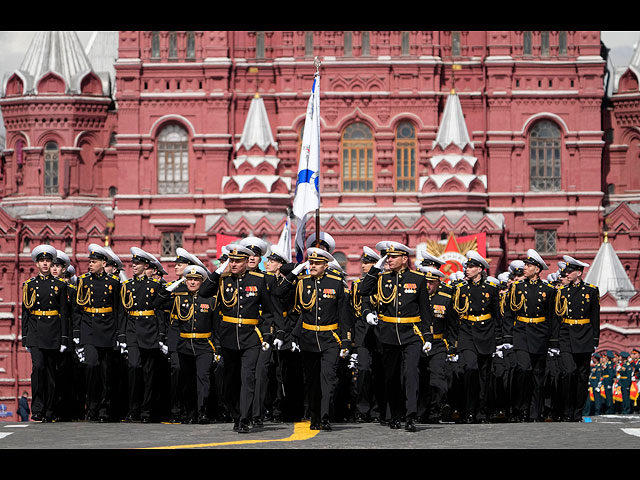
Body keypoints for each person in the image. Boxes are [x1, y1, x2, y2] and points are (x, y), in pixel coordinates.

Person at [358, 241, 433, 432]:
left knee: (410, 374)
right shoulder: (382, 278)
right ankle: (395, 415)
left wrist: (428, 337)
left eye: (393, 257)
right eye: (387, 257)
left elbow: (425, 310)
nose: (389, 260)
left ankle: (410, 416)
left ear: (405, 259)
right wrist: (376, 268)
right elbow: (363, 290)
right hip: (389, 334)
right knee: (391, 378)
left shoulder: (418, 279)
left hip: (412, 334)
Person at [211, 243, 284, 433]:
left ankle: (244, 418)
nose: (233, 264)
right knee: (229, 383)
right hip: (228, 337)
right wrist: (219, 271)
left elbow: (269, 311)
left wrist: (268, 335)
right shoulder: (223, 280)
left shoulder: (259, 280)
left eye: (237, 261)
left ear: (246, 262)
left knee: (248, 378)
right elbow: (204, 292)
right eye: (231, 260)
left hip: (251, 337)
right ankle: (236, 414)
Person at [288, 247, 352, 431]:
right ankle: (314, 416)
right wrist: (295, 273)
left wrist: (346, 340)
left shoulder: (337, 283)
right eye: (311, 262)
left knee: (328, 378)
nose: (313, 265)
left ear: (326, 265)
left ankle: (325, 416)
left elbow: (344, 315)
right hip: (308, 338)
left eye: (317, 263)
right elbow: (283, 295)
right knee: (312, 381)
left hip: (330, 338)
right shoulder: (302, 283)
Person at [155, 265, 218, 424]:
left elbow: (216, 325)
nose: (191, 283)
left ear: (202, 282)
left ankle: (203, 412)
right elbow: (157, 302)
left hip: (204, 345)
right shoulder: (178, 298)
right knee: (187, 381)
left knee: (203, 378)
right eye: (189, 279)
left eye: (195, 280)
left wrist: (217, 348)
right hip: (185, 345)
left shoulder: (211, 299)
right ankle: (190, 413)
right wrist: (175, 285)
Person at [501, 249, 557, 422]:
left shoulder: (548, 290)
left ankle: (535, 412)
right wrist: (508, 338)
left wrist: (553, 342)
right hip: (522, 333)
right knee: (523, 369)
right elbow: (509, 314)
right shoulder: (516, 288)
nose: (525, 267)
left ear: (538, 269)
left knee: (538, 375)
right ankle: (520, 409)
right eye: (525, 264)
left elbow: (552, 317)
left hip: (540, 334)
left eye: (529, 265)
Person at [73, 244, 126, 422]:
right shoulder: (83, 281)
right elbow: (77, 309)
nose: (90, 264)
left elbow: (119, 310)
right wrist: (77, 332)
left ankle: (104, 408)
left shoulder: (113, 283)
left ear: (104, 263)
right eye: (90, 261)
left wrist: (120, 334)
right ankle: (92, 406)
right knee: (91, 366)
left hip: (107, 330)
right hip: (89, 328)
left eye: (94, 262)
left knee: (106, 372)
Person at [21, 245, 70, 422]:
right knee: (38, 369)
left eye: (48, 261)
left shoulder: (60, 286)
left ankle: (50, 409)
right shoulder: (29, 285)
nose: (45, 264)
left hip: (53, 333)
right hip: (35, 333)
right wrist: (25, 337)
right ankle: (38, 408)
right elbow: (25, 313)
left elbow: (64, 314)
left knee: (51, 373)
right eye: (42, 261)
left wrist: (64, 338)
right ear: (37, 263)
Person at [452, 250, 501, 424]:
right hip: (467, 332)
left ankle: (482, 411)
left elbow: (497, 316)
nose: (467, 269)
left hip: (486, 333)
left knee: (484, 375)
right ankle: (469, 410)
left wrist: (499, 341)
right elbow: (453, 316)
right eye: (467, 266)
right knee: (470, 369)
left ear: (480, 269)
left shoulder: (491, 289)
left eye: (471, 267)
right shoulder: (460, 289)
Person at [119, 247, 166, 423]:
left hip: (150, 331)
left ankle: (146, 411)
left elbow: (160, 313)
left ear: (146, 265)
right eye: (133, 263)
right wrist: (122, 337)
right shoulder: (127, 287)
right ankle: (133, 409)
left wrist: (161, 337)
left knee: (148, 374)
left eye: (137, 264)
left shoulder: (155, 286)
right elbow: (122, 313)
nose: (134, 266)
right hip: (132, 331)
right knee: (133, 367)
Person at [553, 255, 600, 422]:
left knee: (582, 376)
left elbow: (595, 316)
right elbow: (557, 318)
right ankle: (567, 409)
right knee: (569, 372)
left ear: (579, 273)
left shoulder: (591, 291)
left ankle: (577, 411)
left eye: (570, 271)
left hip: (585, 336)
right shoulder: (562, 292)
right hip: (566, 335)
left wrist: (595, 339)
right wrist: (555, 340)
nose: (566, 274)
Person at [352, 246, 387, 425]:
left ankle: (378, 410)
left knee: (380, 373)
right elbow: (351, 312)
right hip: (363, 334)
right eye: (363, 263)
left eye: (368, 263)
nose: (364, 266)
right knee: (364, 370)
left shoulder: (385, 284)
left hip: (382, 334)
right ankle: (362, 409)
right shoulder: (358, 285)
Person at [418, 266, 458, 424]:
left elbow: (452, 325)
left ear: (438, 282)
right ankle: (421, 412)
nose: (428, 286)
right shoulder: (416, 298)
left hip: (438, 344)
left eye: (431, 283)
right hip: (419, 343)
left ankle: (436, 410)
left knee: (437, 378)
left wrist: (452, 346)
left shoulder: (445, 299)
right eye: (425, 282)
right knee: (421, 380)